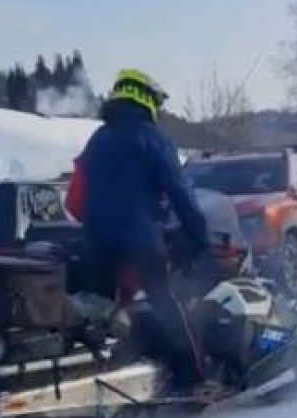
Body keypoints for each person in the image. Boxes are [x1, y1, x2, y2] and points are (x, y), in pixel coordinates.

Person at [72, 68, 220, 399]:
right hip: (140, 239)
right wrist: (198, 236)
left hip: (95, 239)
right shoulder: (153, 139)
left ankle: (102, 375)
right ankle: (195, 379)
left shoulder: (97, 139)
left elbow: (79, 193)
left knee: (102, 313)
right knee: (168, 304)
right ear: (145, 98)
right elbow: (180, 192)